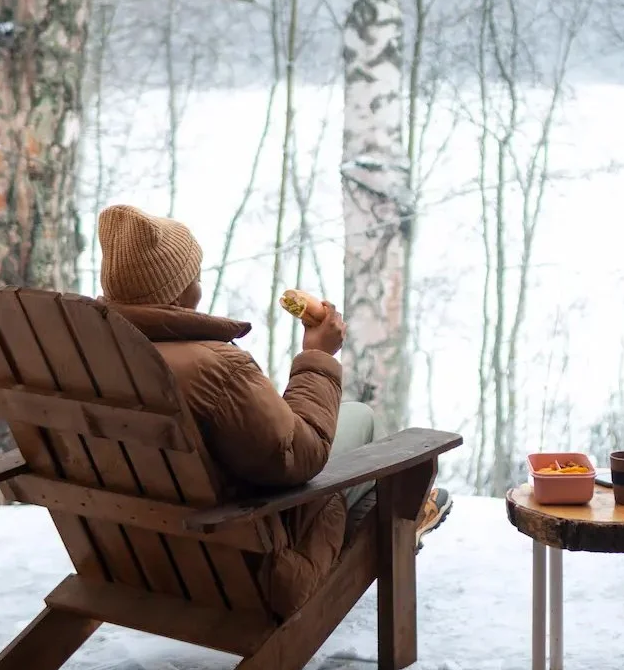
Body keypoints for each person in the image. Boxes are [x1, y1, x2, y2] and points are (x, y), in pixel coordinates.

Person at [94, 204, 451, 615]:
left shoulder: (90, 353)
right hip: (243, 563)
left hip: (133, 552)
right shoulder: (211, 367)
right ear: (177, 292)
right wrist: (317, 355)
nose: (199, 284)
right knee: (362, 421)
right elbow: (298, 459)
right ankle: (404, 520)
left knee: (348, 435)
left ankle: (399, 517)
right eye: (195, 275)